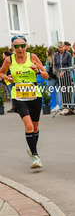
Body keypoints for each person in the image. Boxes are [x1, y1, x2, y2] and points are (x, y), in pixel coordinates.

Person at [0, 35, 48, 168]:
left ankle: (31, 149)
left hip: (34, 95)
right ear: (12, 47)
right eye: (16, 46)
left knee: (35, 127)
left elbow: (46, 75)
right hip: (18, 96)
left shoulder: (33, 57)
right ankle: (35, 156)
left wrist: (38, 71)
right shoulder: (9, 60)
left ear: (26, 46)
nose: (20, 49)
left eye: (22, 46)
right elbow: (1, 73)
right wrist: (8, 78)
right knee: (29, 126)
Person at [53, 41, 72, 115]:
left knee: (67, 90)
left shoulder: (68, 54)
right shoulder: (56, 55)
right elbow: (55, 65)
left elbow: (69, 65)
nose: (60, 49)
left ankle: (68, 106)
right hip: (59, 76)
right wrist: (58, 72)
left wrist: (63, 71)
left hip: (66, 75)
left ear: (64, 47)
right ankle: (64, 106)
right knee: (62, 91)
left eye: (62, 47)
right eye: (59, 47)